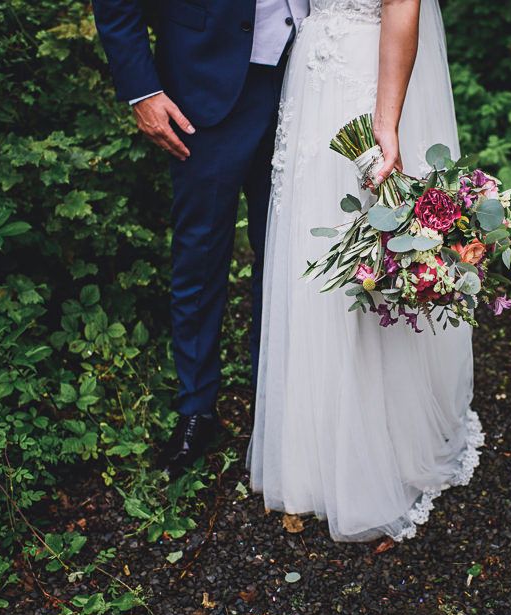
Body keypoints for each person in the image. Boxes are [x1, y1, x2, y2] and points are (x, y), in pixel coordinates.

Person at [248, 0, 485, 542]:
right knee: (316, 244)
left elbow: (404, 6)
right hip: (312, 76)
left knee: (368, 253)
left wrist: (386, 121)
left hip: (364, 75)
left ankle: (383, 446)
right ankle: (315, 446)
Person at [91, 0, 309, 473]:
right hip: (203, 83)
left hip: (307, 82)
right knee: (201, 257)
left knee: (289, 255)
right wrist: (142, 90)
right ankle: (196, 409)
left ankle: (277, 405)